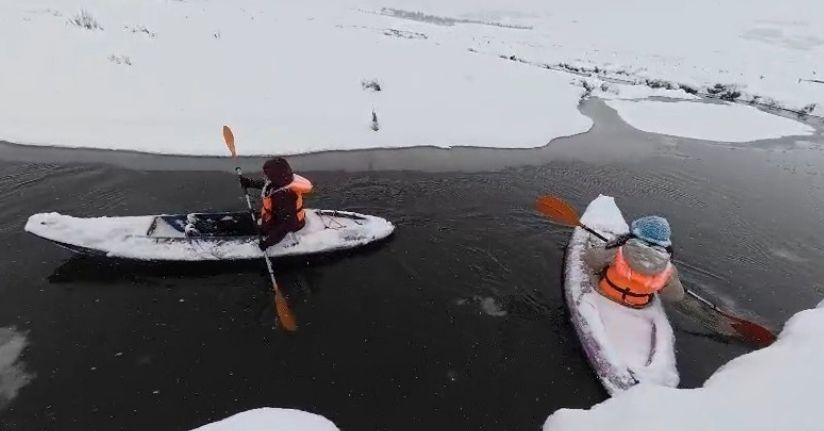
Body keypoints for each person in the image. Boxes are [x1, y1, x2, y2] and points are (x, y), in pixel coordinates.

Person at [584, 215, 684, 308]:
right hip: (637, 304)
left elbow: (590, 258)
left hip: (605, 291)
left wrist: (605, 250)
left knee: (598, 268)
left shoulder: (619, 250)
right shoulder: (669, 269)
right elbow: (676, 296)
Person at [239, 157, 313, 250]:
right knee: (251, 224)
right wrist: (250, 183)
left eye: (268, 175)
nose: (265, 177)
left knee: (256, 227)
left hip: (289, 224)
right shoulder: (282, 180)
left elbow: (288, 224)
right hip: (275, 217)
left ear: (276, 176)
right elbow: (268, 185)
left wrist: (268, 243)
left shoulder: (286, 196)